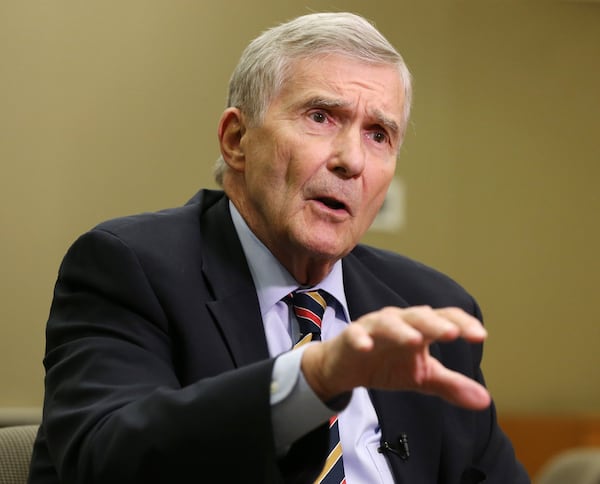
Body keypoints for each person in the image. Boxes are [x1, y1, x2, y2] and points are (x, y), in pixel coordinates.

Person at [28, 11, 529, 484]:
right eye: (321, 117)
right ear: (236, 139)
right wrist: (311, 380)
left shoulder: (431, 309)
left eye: (379, 134)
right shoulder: (129, 268)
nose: (351, 160)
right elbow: (104, 459)